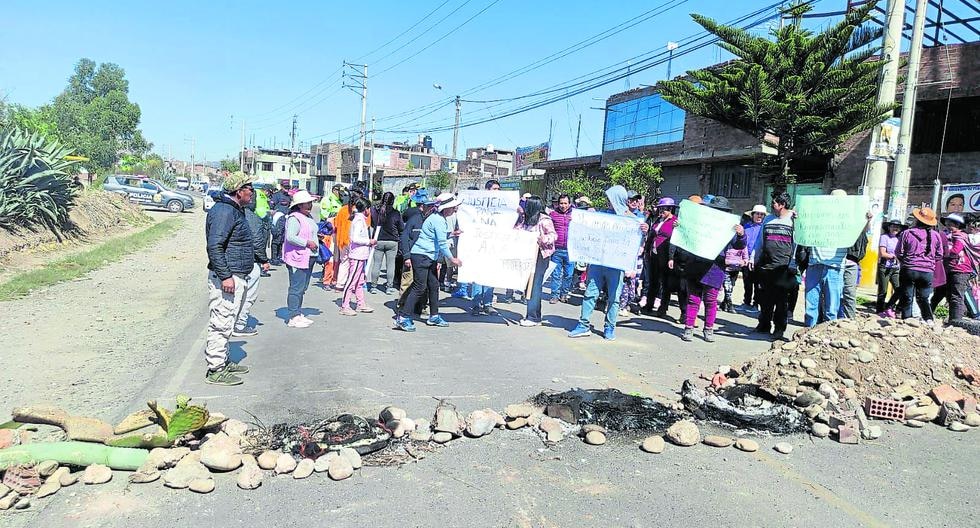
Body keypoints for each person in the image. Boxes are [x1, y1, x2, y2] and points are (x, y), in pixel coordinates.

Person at [567, 185, 648, 341]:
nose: (608, 201)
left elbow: (637, 242)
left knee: (614, 297)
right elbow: (587, 227)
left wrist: (644, 231)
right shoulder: (602, 215)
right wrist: (577, 220)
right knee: (590, 293)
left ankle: (609, 327)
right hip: (598, 263)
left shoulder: (632, 219)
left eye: (611, 198)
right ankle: (583, 325)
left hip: (617, 265)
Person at [203, 172, 255, 386]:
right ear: (238, 191)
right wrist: (225, 276)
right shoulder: (225, 211)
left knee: (227, 321)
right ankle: (215, 369)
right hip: (228, 276)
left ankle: (222, 361)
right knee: (221, 322)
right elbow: (215, 246)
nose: (252, 193)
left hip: (236, 274)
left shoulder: (233, 210)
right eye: (249, 188)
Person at [679, 196, 745, 342]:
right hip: (696, 265)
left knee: (711, 301)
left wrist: (741, 234)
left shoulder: (730, 227)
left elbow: (739, 245)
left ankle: (708, 329)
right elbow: (686, 235)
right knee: (693, 299)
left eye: (721, 210)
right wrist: (679, 227)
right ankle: (688, 328)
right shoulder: (699, 223)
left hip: (715, 268)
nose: (718, 213)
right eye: (715, 210)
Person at [396, 195, 463, 332]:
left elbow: (436, 235)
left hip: (428, 256)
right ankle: (403, 318)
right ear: (447, 208)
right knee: (419, 287)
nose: (455, 208)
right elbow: (442, 244)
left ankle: (434, 315)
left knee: (433, 285)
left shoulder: (437, 218)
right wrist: (452, 259)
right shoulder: (437, 220)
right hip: (421, 256)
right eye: (454, 206)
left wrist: (452, 234)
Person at [754, 192, 796, 340]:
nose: (772, 205)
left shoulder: (794, 220)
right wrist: (755, 256)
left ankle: (779, 329)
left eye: (774, 203)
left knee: (781, 301)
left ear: (782, 205)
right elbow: (760, 240)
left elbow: (796, 243)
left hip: (783, 267)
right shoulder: (768, 219)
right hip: (766, 265)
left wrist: (793, 262)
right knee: (765, 298)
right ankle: (764, 324)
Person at [234, 193, 272, 337]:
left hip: (231, 263)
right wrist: (264, 260)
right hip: (249, 262)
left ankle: (233, 323)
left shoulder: (231, 213)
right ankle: (240, 324)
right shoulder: (251, 217)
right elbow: (257, 241)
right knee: (247, 296)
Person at [895, 207, 943, 322]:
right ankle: (928, 319)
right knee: (923, 298)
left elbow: (898, 252)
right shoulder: (936, 235)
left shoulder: (907, 233)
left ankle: (907, 319)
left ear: (917, 219)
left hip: (909, 269)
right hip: (927, 271)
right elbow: (939, 254)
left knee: (907, 296)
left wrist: (906, 261)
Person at [282, 190, 319, 328]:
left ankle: (297, 312)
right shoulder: (294, 218)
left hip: (309, 256)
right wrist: (307, 242)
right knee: (296, 287)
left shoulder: (308, 217)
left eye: (310, 202)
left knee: (302, 287)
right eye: (307, 203)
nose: (310, 205)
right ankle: (293, 315)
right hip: (298, 257)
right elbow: (291, 237)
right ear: (299, 205)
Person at [519, 196, 557, 327]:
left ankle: (533, 317)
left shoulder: (544, 220)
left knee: (535, 286)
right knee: (527, 284)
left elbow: (553, 235)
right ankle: (532, 314)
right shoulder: (525, 219)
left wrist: (542, 239)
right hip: (526, 255)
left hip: (540, 256)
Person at [398, 189, 435, 313]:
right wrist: (407, 256)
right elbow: (405, 237)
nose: (431, 208)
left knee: (420, 283)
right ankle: (404, 305)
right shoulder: (413, 218)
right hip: (412, 255)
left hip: (423, 256)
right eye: (428, 206)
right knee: (411, 281)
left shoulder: (431, 220)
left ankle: (419, 306)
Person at [471, 179, 504, 315]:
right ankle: (476, 304)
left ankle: (488, 303)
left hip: (494, 246)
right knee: (478, 275)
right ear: (487, 190)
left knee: (490, 274)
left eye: (498, 189)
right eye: (494, 189)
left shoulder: (502, 206)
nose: (497, 192)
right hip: (479, 245)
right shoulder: (479, 204)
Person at [641, 197, 678, 315]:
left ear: (671, 209)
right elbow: (652, 236)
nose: (662, 211)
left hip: (665, 256)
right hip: (653, 255)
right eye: (661, 209)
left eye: (665, 209)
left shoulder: (675, 222)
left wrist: (671, 257)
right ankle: (649, 305)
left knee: (665, 283)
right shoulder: (658, 220)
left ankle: (663, 308)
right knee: (653, 281)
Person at [339, 197, 376, 315]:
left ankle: (361, 304)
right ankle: (345, 306)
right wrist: (368, 241)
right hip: (357, 256)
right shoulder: (359, 221)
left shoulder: (360, 220)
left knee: (360, 281)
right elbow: (355, 238)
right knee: (351, 281)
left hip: (362, 255)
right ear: (366, 209)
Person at [368, 191, 404, 294]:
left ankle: (373, 286)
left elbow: (372, 224)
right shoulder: (396, 213)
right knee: (391, 265)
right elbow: (401, 228)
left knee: (377, 264)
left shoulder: (375, 211)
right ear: (393, 201)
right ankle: (389, 286)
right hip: (392, 241)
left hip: (378, 239)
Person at [941, 213, 973, 321]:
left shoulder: (960, 236)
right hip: (951, 268)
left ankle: (956, 321)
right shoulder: (949, 236)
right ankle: (953, 319)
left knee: (956, 296)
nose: (948, 226)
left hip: (960, 269)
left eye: (951, 224)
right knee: (950, 295)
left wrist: (942, 252)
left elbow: (955, 251)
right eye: (947, 223)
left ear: (957, 225)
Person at [548, 194, 575, 304]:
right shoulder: (553, 215)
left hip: (571, 250)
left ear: (569, 204)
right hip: (557, 249)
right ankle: (554, 295)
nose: (563, 205)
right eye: (561, 203)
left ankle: (564, 294)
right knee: (556, 274)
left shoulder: (575, 215)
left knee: (569, 274)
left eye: (565, 203)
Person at [740, 205, 767, 310]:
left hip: (759, 259)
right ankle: (746, 302)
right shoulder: (746, 226)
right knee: (747, 282)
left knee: (758, 283)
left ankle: (756, 304)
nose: (759, 216)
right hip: (745, 258)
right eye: (757, 214)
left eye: (762, 214)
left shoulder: (765, 227)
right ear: (752, 215)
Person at [876, 219, 903, 317]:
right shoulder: (884, 237)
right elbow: (882, 253)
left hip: (896, 268)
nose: (895, 228)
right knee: (883, 290)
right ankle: (879, 310)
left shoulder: (899, 239)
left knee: (899, 289)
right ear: (889, 227)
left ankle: (890, 307)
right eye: (893, 226)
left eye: (897, 227)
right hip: (885, 267)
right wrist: (893, 256)